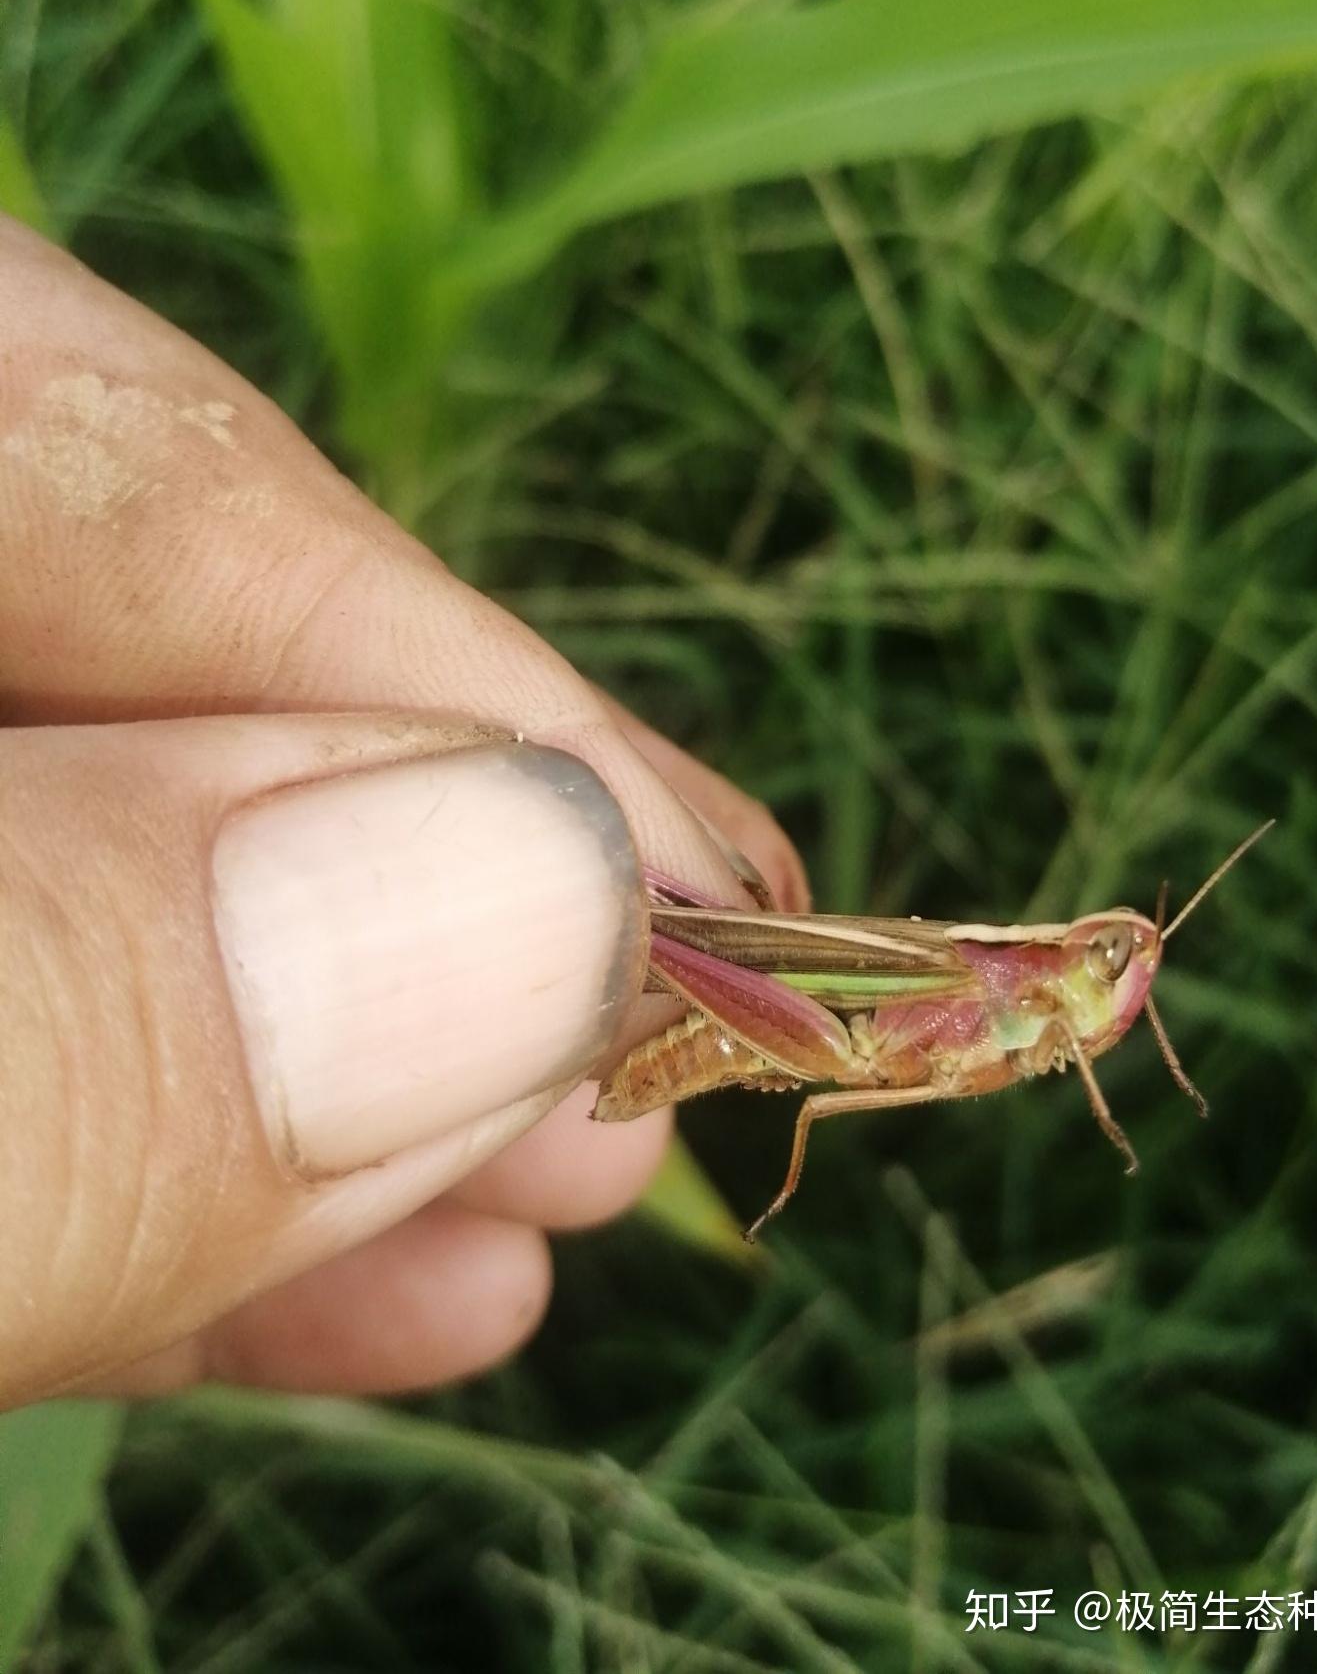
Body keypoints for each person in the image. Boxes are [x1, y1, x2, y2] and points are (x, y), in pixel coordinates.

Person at [0, 212, 807, 1410]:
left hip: (756, 1031)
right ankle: (575, 910)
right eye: (1105, 954)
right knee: (697, 897)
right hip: (749, 999)